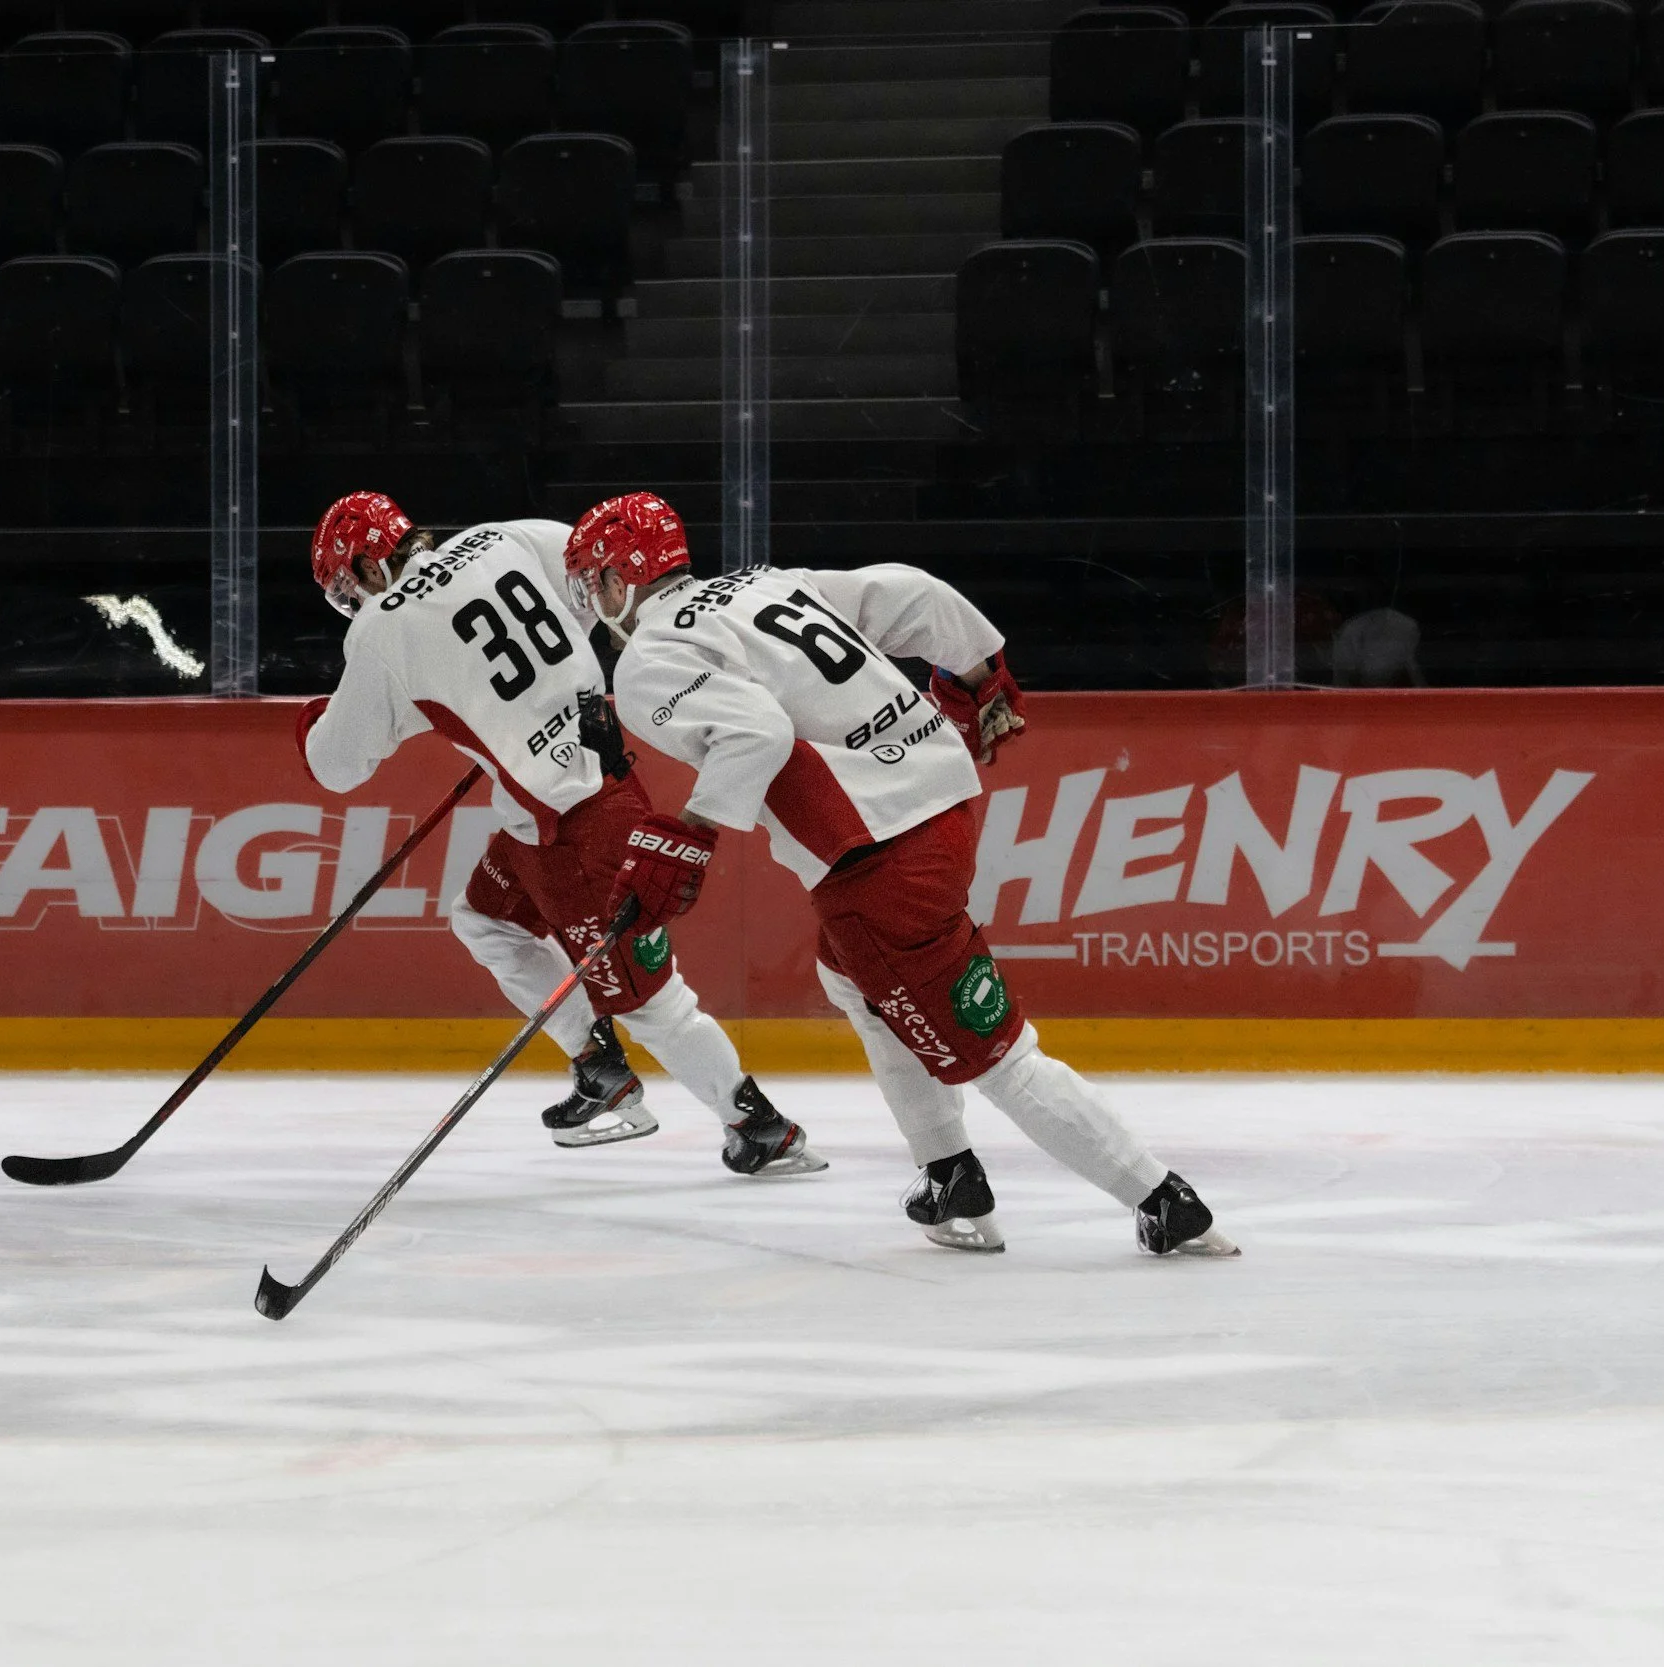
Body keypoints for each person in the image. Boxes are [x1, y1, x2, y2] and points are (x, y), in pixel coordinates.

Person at [562, 491, 1236, 1256]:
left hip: (877, 856)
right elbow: (914, 593)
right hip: (940, 805)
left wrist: (690, 834)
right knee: (850, 975)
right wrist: (982, 670)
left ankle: (1165, 1201)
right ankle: (948, 1170)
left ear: (621, 580)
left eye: (593, 581)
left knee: (998, 1056)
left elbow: (757, 733)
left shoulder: (650, 658)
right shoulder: (762, 583)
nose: (594, 601)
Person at [297, 490, 822, 1176]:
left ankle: (757, 1124)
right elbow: (586, 585)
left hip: (573, 824)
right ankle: (599, 1066)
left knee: (650, 1000)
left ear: (369, 566)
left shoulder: (378, 631)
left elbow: (337, 764)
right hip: (565, 800)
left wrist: (312, 722)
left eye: (345, 586)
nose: (351, 602)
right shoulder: (500, 535)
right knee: (484, 918)